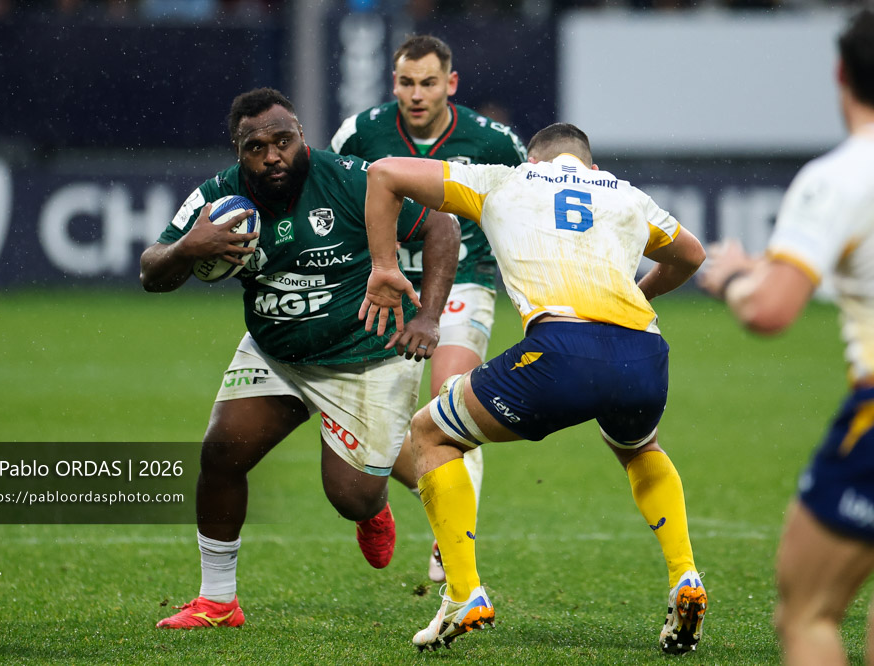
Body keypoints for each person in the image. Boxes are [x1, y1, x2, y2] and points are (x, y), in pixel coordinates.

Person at [359, 122, 708, 652]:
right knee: (641, 449)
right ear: (590, 166)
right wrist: (639, 293)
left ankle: (462, 592)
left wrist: (384, 266)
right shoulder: (626, 194)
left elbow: (384, 174)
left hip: (561, 350)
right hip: (643, 352)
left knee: (430, 434)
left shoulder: (504, 180)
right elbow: (691, 256)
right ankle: (685, 576)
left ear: (532, 160)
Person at [140, 87, 459, 629]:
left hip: (367, 353)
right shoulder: (217, 199)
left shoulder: (349, 179)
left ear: (302, 136)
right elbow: (152, 271)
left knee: (351, 498)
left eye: (283, 140)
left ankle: (373, 505)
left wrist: (429, 317)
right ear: (238, 152)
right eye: (255, 147)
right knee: (220, 455)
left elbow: (440, 225)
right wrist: (188, 249)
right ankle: (218, 602)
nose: (272, 155)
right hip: (278, 353)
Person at [697, 9, 874, 664]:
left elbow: (770, 311)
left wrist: (737, 280)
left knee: (809, 614)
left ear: (840, 75)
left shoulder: (840, 177)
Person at [330, 34, 527, 582]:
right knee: (381, 424)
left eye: (429, 83)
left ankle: (450, 539)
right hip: (391, 285)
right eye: (406, 83)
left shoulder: (492, 142)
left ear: (451, 84)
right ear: (394, 82)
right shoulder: (360, 133)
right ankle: (395, 492)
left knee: (453, 399)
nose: (416, 95)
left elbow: (531, 200)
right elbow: (336, 202)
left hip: (465, 276)